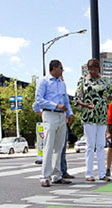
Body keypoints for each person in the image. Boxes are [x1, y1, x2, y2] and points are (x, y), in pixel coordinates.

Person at [34, 59, 74, 187]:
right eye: (61, 68)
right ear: (55, 68)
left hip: (61, 116)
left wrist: (70, 113)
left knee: (60, 146)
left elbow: (66, 99)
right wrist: (56, 105)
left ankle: (57, 175)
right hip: (49, 113)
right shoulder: (44, 81)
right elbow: (39, 99)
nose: (62, 71)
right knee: (48, 146)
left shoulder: (62, 83)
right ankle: (45, 176)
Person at [75, 58, 112, 182]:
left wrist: (104, 100)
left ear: (98, 69)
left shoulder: (104, 80)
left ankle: (102, 173)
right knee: (90, 145)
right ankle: (89, 173)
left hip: (101, 116)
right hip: (89, 116)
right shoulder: (83, 81)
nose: (93, 71)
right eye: (90, 69)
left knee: (101, 145)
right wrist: (86, 105)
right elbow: (76, 99)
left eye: (95, 69)